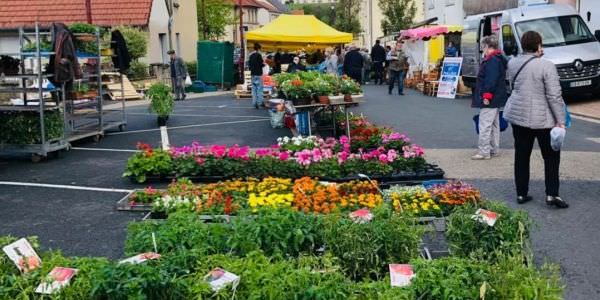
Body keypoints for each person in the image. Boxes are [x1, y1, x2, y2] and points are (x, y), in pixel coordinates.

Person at [503, 31, 568, 208]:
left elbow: (512, 86)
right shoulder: (547, 66)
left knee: (522, 155)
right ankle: (552, 194)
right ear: (539, 45)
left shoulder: (513, 63)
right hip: (543, 119)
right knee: (551, 156)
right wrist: (560, 120)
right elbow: (554, 95)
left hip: (519, 116)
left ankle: (521, 194)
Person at [471, 36, 507, 160]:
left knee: (485, 124)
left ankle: (484, 151)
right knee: (494, 124)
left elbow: (490, 80)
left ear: (487, 46)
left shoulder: (492, 60)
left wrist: (487, 95)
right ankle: (494, 149)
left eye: (483, 47)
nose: (482, 50)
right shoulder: (498, 59)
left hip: (491, 97)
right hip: (497, 97)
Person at [248, 43, 265, 109]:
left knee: (254, 89)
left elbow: (249, 65)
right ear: (259, 49)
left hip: (253, 74)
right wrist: (264, 64)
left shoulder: (251, 55)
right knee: (259, 89)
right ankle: (260, 102)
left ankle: (254, 103)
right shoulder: (259, 55)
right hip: (259, 74)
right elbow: (261, 64)